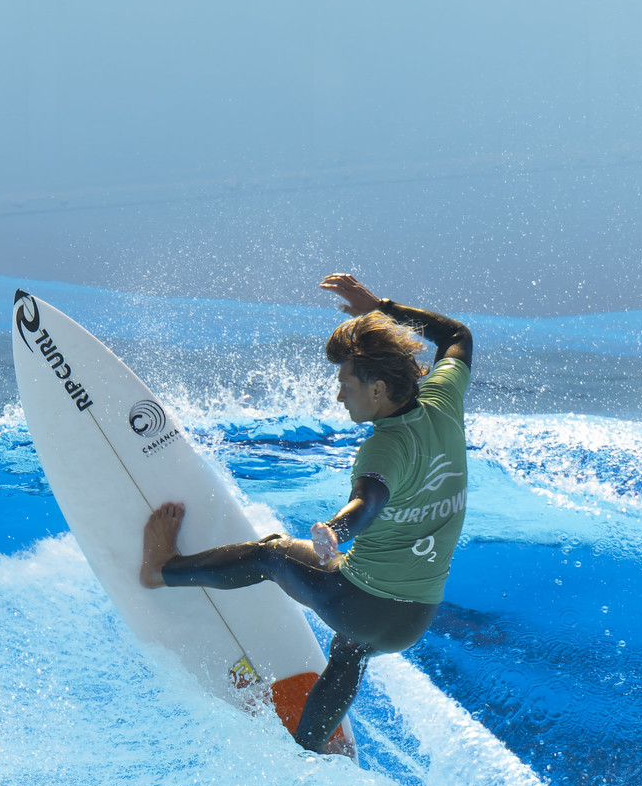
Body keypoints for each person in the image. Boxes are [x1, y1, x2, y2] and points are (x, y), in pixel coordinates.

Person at [140, 272, 473, 751]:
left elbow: (369, 500)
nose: (339, 396)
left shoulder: (386, 449)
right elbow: (457, 334)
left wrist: (337, 530)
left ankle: (161, 570)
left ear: (378, 389)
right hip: (413, 620)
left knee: (272, 555)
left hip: (361, 603)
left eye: (346, 384)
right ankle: (310, 748)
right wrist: (379, 308)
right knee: (349, 652)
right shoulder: (444, 397)